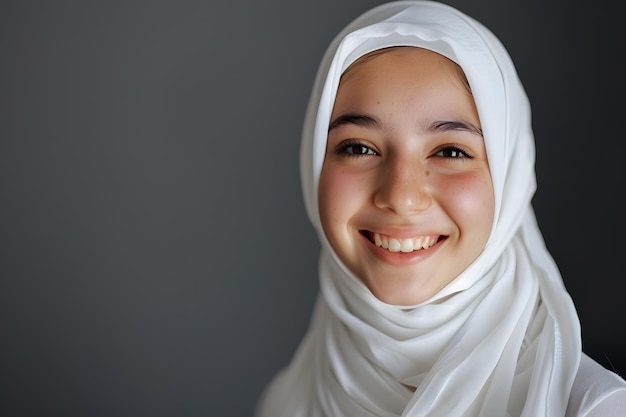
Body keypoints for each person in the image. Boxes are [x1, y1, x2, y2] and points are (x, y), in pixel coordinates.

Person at [254, 1, 626, 416]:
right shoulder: (288, 399)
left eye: (450, 151)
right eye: (358, 147)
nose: (401, 196)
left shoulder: (589, 408)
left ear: (509, 178)